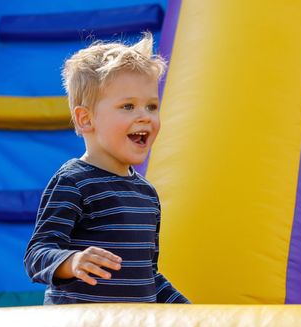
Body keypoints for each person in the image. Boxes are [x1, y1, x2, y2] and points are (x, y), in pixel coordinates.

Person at [24, 32, 189, 304]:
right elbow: (37, 254)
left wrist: (190, 313)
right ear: (86, 119)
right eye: (128, 106)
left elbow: (147, 276)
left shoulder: (146, 194)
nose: (145, 116)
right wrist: (72, 261)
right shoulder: (74, 182)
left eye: (151, 106)